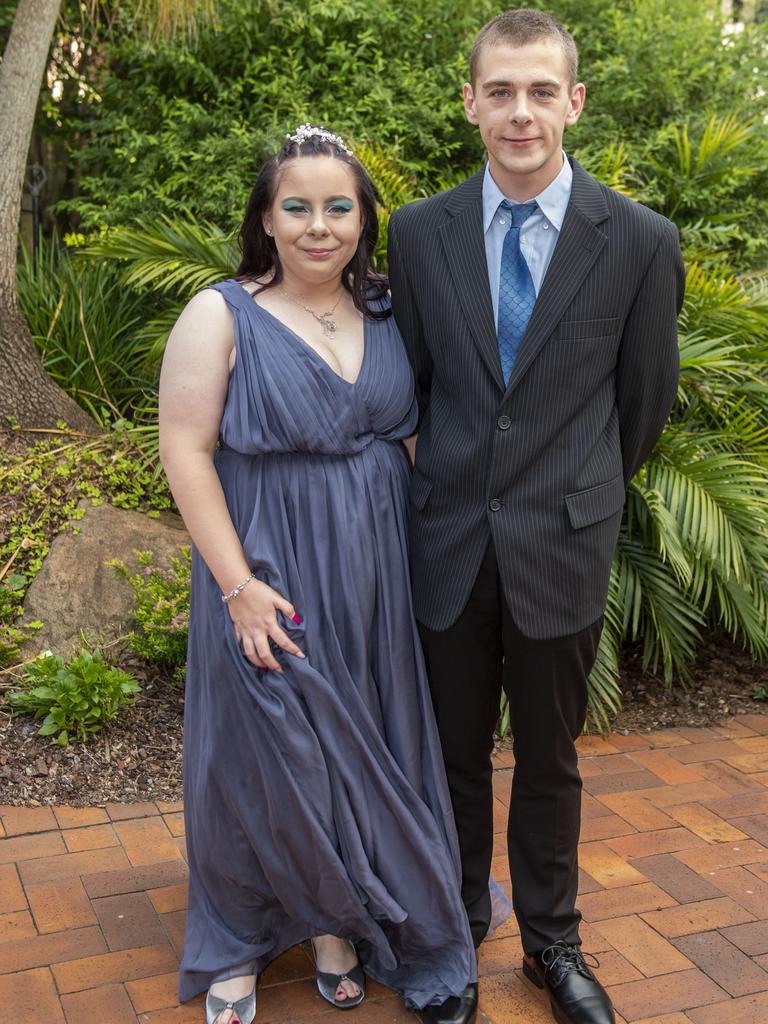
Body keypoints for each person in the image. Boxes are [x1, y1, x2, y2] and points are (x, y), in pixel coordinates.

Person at [387, 10, 685, 1024]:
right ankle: (457, 934)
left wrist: (577, 491)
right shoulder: (419, 234)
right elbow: (417, 386)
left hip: (563, 543)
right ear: (470, 101)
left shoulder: (640, 242)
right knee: (453, 755)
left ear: (575, 101)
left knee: (551, 758)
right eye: (500, 91)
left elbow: (640, 405)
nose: (521, 112)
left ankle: (552, 945)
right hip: (449, 542)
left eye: (540, 91)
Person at [158, 125, 476, 1024]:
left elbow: (414, 441)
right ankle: (240, 939)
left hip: (374, 570)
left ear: (364, 220)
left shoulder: (384, 313)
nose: (318, 225)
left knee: (357, 742)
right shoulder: (220, 312)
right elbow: (185, 451)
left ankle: (337, 924)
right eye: (296, 206)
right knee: (264, 752)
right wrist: (237, 586)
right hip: (266, 562)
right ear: (266, 217)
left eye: (338, 206)